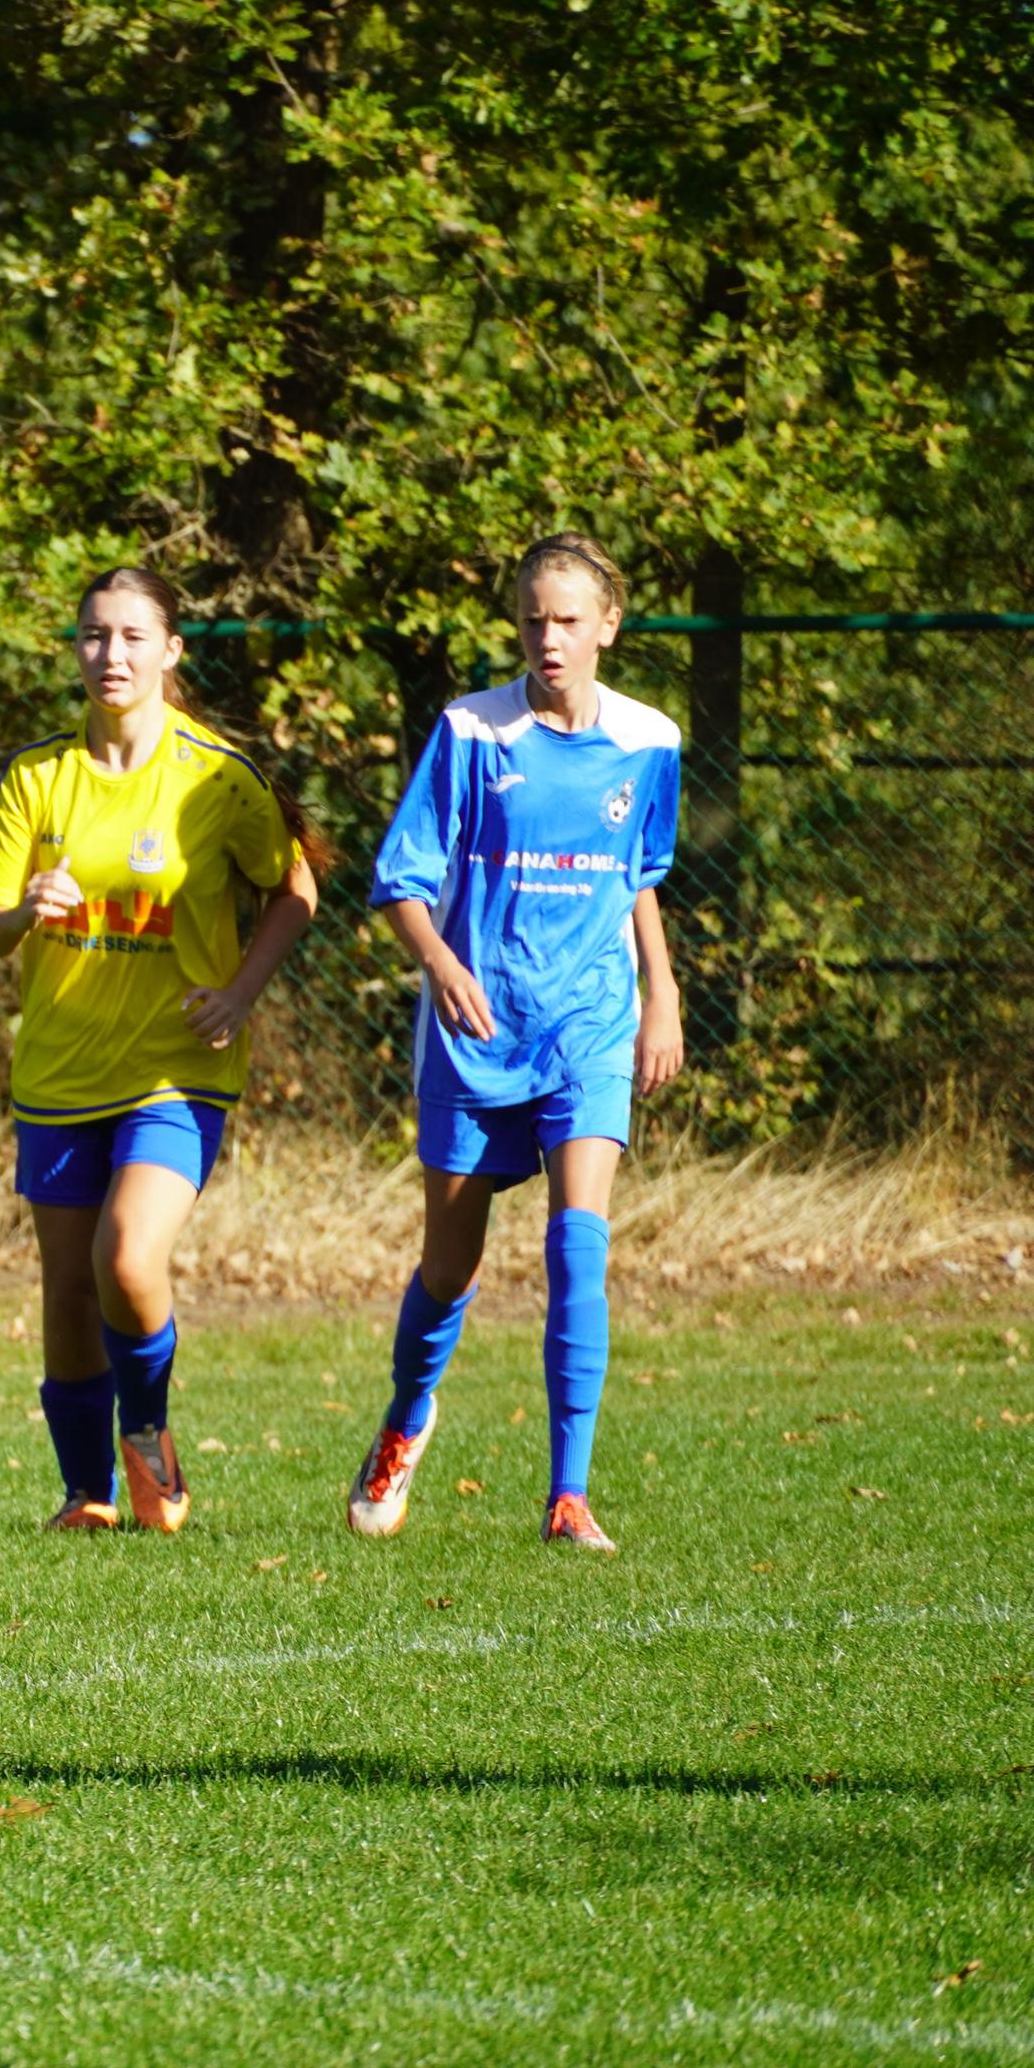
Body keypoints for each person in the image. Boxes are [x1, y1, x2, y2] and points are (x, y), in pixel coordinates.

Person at [347, 533, 683, 1552]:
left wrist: (663, 993)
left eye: (570, 619)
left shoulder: (649, 742)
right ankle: (407, 1417)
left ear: (608, 628)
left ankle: (568, 1494)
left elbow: (639, 876)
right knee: (448, 1267)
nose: (549, 636)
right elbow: (399, 879)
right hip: (476, 1027)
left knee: (579, 1244)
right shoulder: (470, 731)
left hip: (588, 1023)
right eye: (535, 617)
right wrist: (443, 967)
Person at [0, 568, 318, 1531]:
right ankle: (88, 1495)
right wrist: (22, 913)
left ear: (171, 651)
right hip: (59, 1071)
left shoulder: (216, 775)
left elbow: (295, 888)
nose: (109, 656)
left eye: (130, 637)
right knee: (70, 1293)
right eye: (91, 636)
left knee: (128, 1258)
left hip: (178, 1066)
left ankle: (150, 1434)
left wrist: (241, 992)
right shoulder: (37, 777)